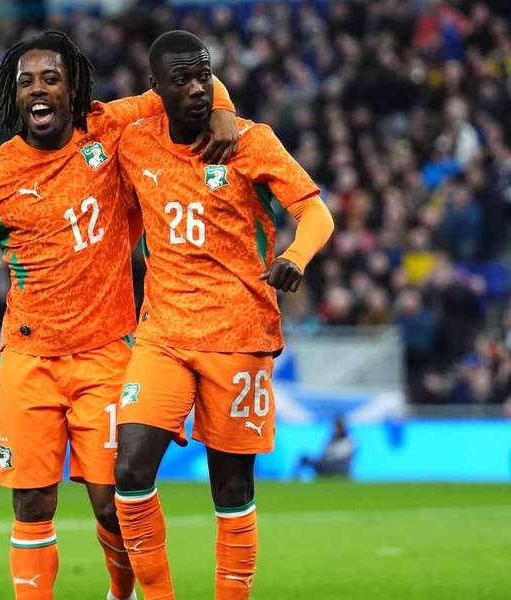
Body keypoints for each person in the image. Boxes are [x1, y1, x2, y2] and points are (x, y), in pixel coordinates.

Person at [0, 30, 239, 600]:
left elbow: (192, 84)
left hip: (107, 354)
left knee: (112, 502)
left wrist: (224, 113)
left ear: (74, 91)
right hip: (27, 360)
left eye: (50, 78)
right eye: (25, 82)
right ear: (14, 97)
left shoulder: (107, 127)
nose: (37, 89)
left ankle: (122, 591)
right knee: (32, 500)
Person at [112, 31, 334, 600]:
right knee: (130, 471)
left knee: (231, 487)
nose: (195, 89)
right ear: (155, 89)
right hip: (161, 334)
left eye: (203, 76)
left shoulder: (251, 142)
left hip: (239, 334)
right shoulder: (134, 140)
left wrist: (294, 256)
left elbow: (316, 214)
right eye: (180, 80)